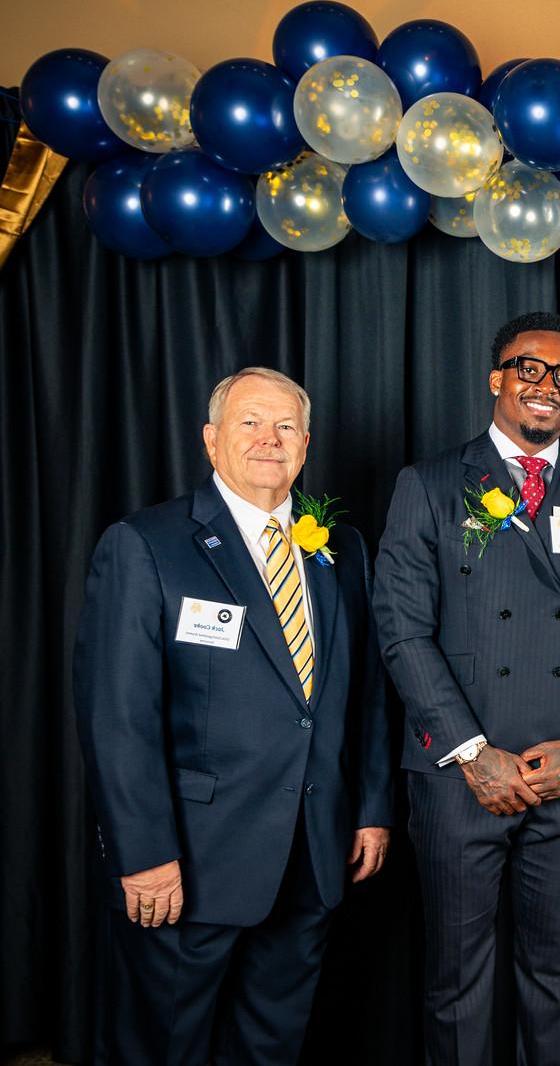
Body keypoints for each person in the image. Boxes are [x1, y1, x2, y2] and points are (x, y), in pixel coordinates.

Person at [73, 367, 393, 1065]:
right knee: (164, 1046)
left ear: (305, 445)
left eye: (285, 426)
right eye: (250, 422)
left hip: (312, 851)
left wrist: (369, 806)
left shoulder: (342, 549)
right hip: (190, 860)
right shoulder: (147, 544)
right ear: (212, 440)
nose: (268, 440)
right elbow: (117, 716)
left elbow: (361, 689)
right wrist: (145, 853)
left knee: (272, 1043)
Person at [373, 312, 560, 1066]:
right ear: (496, 379)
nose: (547, 387)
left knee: (556, 974)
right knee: (457, 979)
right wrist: (470, 751)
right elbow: (401, 630)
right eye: (529, 369)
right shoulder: (428, 486)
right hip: (462, 777)